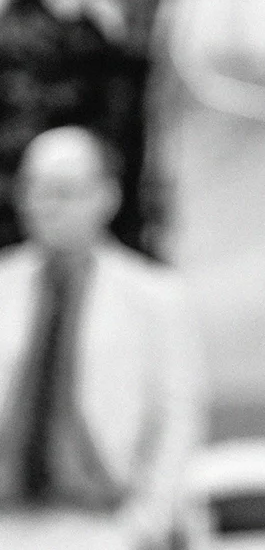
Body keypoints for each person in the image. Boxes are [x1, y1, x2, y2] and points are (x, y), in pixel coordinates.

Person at [0, 127, 204, 550]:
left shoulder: (155, 296)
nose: (46, 205)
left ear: (106, 196)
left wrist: (142, 527)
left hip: (102, 521)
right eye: (35, 189)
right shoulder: (6, 285)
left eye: (63, 191)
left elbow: (178, 420)